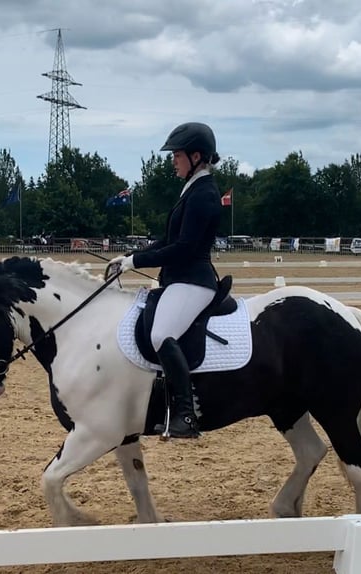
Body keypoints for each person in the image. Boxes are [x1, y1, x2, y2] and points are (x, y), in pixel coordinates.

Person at [109, 122, 222, 438]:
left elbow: (184, 248)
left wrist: (136, 262)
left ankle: (186, 414)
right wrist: (131, 256)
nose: (173, 160)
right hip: (178, 279)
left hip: (194, 280)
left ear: (196, 156)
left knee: (161, 335)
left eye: (177, 155)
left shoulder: (204, 194)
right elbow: (167, 239)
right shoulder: (192, 189)